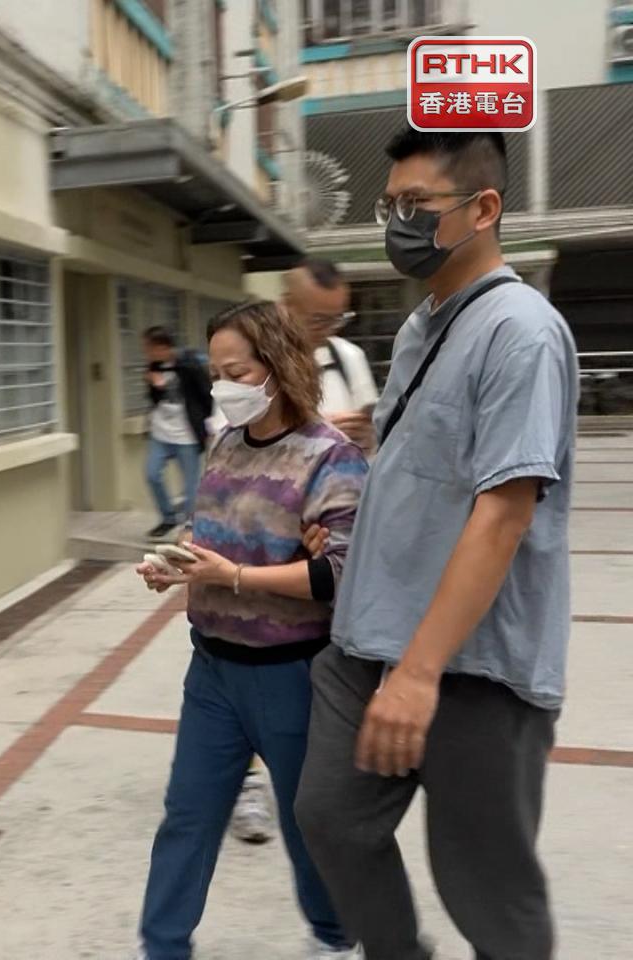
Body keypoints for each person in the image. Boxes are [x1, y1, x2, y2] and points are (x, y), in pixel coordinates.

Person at [294, 130, 578, 960]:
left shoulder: (522, 331)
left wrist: (419, 675)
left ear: (484, 209)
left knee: (486, 886)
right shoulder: (424, 328)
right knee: (329, 816)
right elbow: (436, 460)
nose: (397, 223)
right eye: (390, 206)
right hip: (369, 640)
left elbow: (504, 510)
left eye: (416, 206)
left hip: (474, 667)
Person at [133, 301, 367, 960]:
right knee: (188, 816)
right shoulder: (224, 442)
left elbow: (336, 574)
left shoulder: (331, 457)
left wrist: (235, 576)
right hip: (211, 671)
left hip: (290, 675)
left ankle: (333, 938)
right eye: (217, 372)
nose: (223, 387)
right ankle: (162, 947)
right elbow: (206, 529)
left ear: (279, 365)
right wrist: (176, 561)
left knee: (306, 827)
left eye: (237, 371)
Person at [229, 257, 382, 846]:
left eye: (335, 316)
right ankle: (246, 781)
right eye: (314, 316)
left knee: (318, 659)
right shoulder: (247, 366)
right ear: (285, 304)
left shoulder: (348, 360)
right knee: (245, 655)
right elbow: (231, 453)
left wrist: (363, 434)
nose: (325, 327)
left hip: (328, 535)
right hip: (262, 536)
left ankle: (312, 774)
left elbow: (368, 441)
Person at [283, 257, 380, 451]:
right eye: (318, 320)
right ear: (287, 306)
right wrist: (316, 433)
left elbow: (369, 445)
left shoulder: (349, 356)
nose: (329, 330)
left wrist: (366, 438)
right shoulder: (252, 362)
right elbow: (229, 447)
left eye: (337, 318)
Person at [142, 326, 212, 539]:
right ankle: (168, 517)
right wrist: (155, 387)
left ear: (163, 347)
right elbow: (154, 400)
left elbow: (206, 395)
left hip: (186, 436)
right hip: (161, 434)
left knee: (191, 487)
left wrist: (208, 425)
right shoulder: (154, 366)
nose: (147, 352)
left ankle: (190, 530)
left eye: (150, 348)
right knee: (152, 474)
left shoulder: (189, 365)